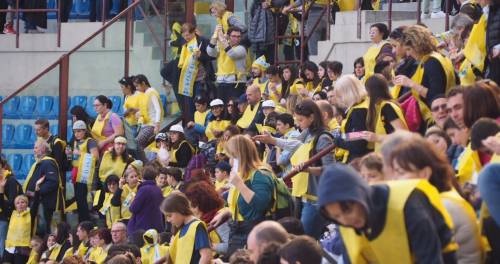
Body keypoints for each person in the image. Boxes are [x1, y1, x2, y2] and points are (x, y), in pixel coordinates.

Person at [318, 163, 457, 264]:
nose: (345, 220)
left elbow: (431, 258)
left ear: (359, 194)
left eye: (347, 210)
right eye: (336, 217)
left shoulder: (408, 204)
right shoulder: (344, 225)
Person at [383, 133, 482, 264]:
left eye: (401, 173)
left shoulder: (441, 205)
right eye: (393, 172)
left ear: (424, 174)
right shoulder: (439, 196)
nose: (394, 180)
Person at [254, 99, 333, 238]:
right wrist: (272, 140)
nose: (297, 123)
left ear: (312, 117)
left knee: (304, 238)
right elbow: (294, 144)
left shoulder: (323, 138)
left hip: (315, 198)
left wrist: (309, 170)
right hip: (301, 194)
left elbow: (330, 170)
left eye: (300, 120)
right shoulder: (307, 133)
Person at [209, 135, 274, 255]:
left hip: (251, 230)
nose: (230, 162)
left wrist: (239, 184)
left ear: (240, 156)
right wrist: (227, 212)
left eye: (232, 157)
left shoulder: (259, 174)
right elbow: (238, 203)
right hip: (237, 228)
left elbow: (261, 204)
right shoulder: (241, 174)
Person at [394, 25, 456, 129]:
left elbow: (436, 95)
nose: (408, 54)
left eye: (409, 49)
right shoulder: (437, 57)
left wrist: (411, 83)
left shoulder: (432, 62)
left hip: (439, 119)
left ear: (417, 45)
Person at [23, 139, 63, 236]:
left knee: (43, 229)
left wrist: (37, 191)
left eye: (36, 147)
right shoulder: (40, 162)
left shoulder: (48, 162)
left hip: (43, 203)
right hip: (37, 201)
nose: (34, 150)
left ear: (43, 149)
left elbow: (53, 182)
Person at [177, 23, 214, 121]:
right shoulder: (185, 44)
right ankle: (192, 124)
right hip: (188, 80)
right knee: (189, 106)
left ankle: (202, 124)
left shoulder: (202, 41)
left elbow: (212, 57)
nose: (186, 38)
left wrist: (200, 56)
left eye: (187, 35)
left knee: (200, 104)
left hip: (201, 79)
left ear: (194, 32)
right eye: (184, 36)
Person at [161, 191, 212, 264]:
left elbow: (206, 255)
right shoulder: (180, 230)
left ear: (180, 210)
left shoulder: (196, 226)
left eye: (169, 215)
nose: (168, 220)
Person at [361, 74, 408, 150]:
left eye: (367, 91)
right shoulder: (382, 106)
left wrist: (377, 137)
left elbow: (403, 134)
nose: (366, 94)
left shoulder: (387, 107)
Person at [332, 75, 371, 162]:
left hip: (361, 160)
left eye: (340, 96)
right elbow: (357, 134)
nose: (339, 100)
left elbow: (358, 143)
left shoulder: (359, 111)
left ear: (348, 93)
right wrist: (341, 137)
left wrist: (338, 141)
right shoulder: (364, 103)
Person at [185, 181, 230, 255]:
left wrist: (209, 245)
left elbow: (229, 247)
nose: (191, 210)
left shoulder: (219, 219)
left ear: (202, 205)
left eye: (193, 206)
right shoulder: (205, 218)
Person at [207, 26, 248, 103]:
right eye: (233, 36)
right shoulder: (222, 46)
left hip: (236, 83)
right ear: (229, 36)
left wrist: (222, 39)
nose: (236, 38)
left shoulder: (241, 48)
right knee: (221, 107)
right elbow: (210, 52)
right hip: (221, 82)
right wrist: (215, 36)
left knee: (233, 108)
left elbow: (232, 54)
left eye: (239, 36)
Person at [69, 120, 99, 223]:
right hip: (76, 171)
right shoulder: (75, 142)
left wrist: (80, 153)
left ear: (84, 131)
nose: (76, 134)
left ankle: (85, 220)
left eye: (79, 131)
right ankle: (82, 220)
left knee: (83, 198)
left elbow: (95, 156)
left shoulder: (90, 141)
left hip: (85, 172)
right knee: (79, 198)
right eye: (75, 131)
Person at [3, 194, 41, 263]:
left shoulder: (31, 214)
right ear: (15, 206)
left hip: (23, 248)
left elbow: (36, 203)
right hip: (10, 246)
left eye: (22, 202)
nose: (20, 204)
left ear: (27, 204)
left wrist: (37, 190)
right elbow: (2, 203)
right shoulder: (12, 214)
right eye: (17, 203)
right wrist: (1, 189)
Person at [133, 74, 164, 161]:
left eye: (137, 86)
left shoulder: (151, 92)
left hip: (152, 125)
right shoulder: (145, 93)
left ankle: (144, 162)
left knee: (136, 143)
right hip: (145, 124)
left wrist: (157, 125)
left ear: (143, 83)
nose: (136, 88)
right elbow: (147, 109)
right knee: (137, 145)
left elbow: (158, 110)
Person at [128, 166, 164, 234]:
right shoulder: (158, 189)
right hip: (156, 225)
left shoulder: (143, 189)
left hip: (142, 227)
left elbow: (134, 208)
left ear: (142, 176)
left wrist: (132, 202)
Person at [34, 119, 67, 188]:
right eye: (35, 130)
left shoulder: (56, 142)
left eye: (38, 130)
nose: (36, 132)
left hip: (51, 177)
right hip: (41, 174)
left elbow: (58, 164)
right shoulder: (39, 140)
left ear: (46, 129)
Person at [0, 157, 22, 258]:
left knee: (2, 243)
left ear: (3, 166)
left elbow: (12, 203)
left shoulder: (11, 180)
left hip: (4, 218)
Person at [120, 76, 141, 158]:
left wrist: (134, 110)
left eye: (122, 87)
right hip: (128, 124)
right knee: (130, 147)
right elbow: (125, 112)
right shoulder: (126, 97)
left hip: (137, 125)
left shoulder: (139, 95)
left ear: (128, 86)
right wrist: (127, 112)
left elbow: (144, 109)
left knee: (135, 147)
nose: (121, 89)